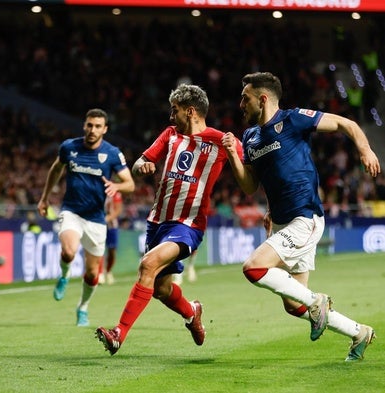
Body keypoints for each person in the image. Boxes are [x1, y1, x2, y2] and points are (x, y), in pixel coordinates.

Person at [221, 71, 380, 361]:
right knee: (294, 306)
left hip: (304, 218)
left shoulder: (293, 119)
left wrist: (365, 149)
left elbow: (347, 123)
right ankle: (358, 332)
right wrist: (233, 154)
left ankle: (318, 301)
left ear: (263, 98)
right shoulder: (251, 137)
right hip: (282, 222)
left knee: (253, 268)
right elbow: (249, 185)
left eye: (245, 98)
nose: (240, 104)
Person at [95, 84, 243, 355]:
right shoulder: (170, 135)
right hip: (157, 222)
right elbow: (140, 163)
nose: (170, 116)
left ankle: (119, 334)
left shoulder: (220, 141)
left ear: (190, 111)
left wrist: (234, 152)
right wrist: (143, 167)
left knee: (148, 265)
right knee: (161, 289)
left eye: (174, 110)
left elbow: (249, 174)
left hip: (188, 224)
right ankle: (192, 313)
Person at [37, 108, 135, 327]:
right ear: (84, 125)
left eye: (98, 126)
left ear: (105, 129)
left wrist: (116, 186)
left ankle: (82, 308)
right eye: (90, 125)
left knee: (92, 274)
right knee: (68, 251)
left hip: (96, 219)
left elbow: (130, 184)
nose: (93, 130)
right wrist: (44, 198)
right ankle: (64, 276)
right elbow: (56, 169)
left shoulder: (112, 153)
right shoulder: (69, 147)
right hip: (71, 211)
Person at [98, 190, 123, 285]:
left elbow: (118, 210)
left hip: (112, 226)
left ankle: (108, 271)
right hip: (99, 225)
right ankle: (100, 274)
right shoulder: (98, 191)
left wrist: (106, 219)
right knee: (99, 249)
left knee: (112, 252)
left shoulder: (115, 193)